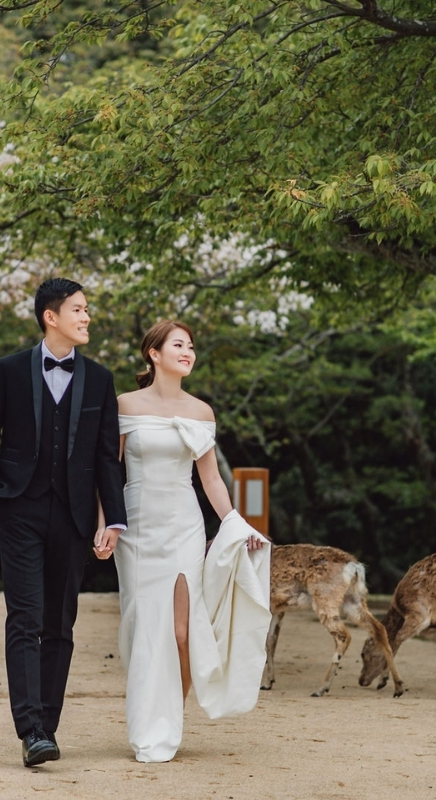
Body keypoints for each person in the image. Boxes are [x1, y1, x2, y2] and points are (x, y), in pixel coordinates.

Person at [97, 319, 272, 763]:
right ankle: (146, 721)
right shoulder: (124, 404)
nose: (188, 352)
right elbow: (108, 472)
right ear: (153, 353)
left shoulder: (201, 411)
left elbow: (210, 478)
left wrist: (236, 525)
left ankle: (167, 720)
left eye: (191, 346)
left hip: (184, 527)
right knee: (142, 628)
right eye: (179, 345)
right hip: (135, 527)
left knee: (180, 631)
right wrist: (106, 523)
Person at [0, 278, 128, 768]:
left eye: (87, 310)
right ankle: (30, 727)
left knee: (61, 623)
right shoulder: (10, 370)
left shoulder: (100, 379)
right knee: (25, 617)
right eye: (78, 310)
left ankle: (47, 727)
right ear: (50, 316)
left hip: (77, 515)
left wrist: (113, 520)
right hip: (20, 509)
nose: (87, 317)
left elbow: (108, 458)